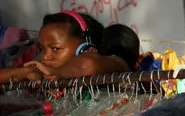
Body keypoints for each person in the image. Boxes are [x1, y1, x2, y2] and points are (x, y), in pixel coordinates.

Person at [0, 11, 139, 83]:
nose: (45, 57)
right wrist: (24, 72)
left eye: (55, 48)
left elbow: (88, 64)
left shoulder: (114, 64)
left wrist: (55, 72)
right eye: (43, 49)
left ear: (85, 48)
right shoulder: (62, 76)